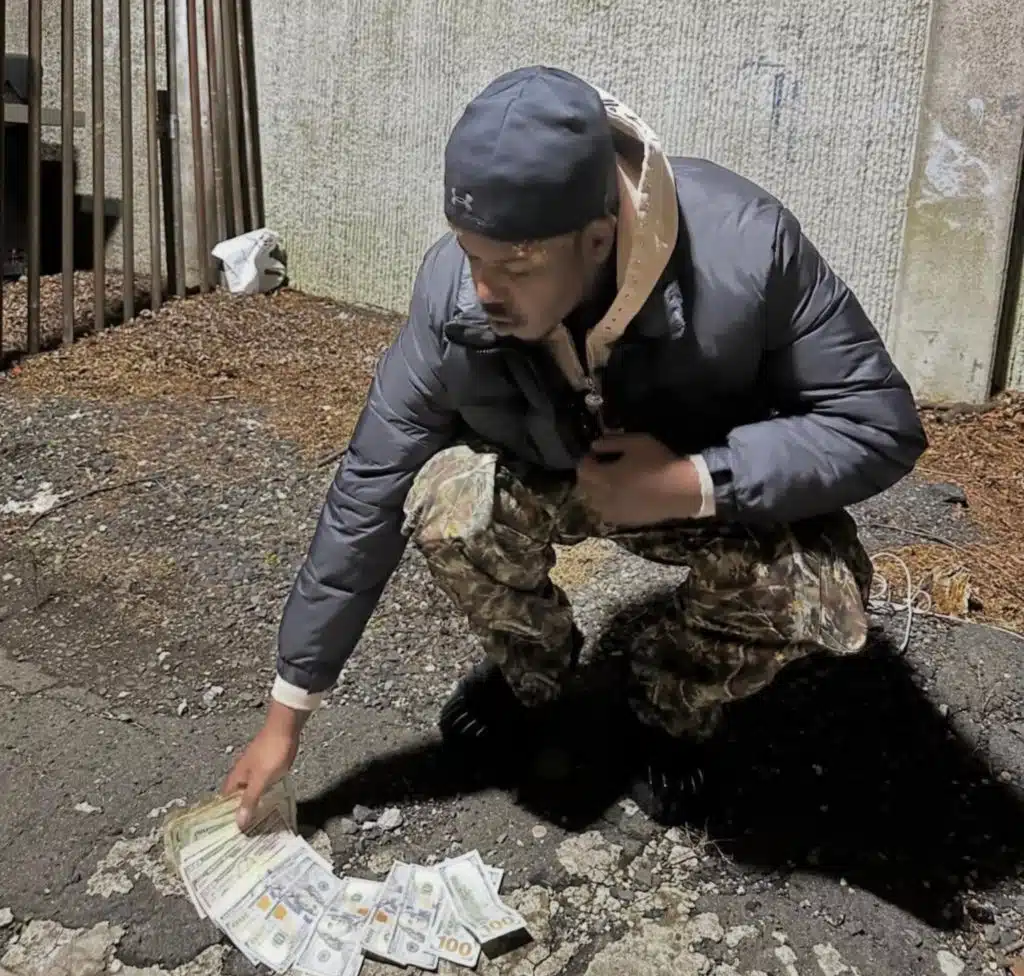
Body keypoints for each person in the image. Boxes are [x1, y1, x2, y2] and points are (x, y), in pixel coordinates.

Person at [224, 66, 927, 825]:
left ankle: (668, 705)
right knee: (445, 505)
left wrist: (694, 480)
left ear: (598, 238)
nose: (483, 290)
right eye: (472, 254)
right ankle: (537, 681)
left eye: (516, 266)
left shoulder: (748, 250)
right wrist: (287, 715)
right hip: (560, 473)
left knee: (818, 587)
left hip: (702, 486)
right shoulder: (452, 293)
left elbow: (877, 423)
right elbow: (370, 482)